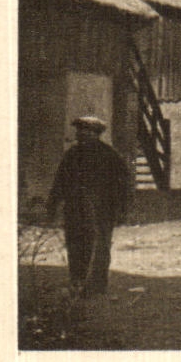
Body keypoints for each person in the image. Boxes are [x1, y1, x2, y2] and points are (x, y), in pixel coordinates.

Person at [45, 116, 134, 299]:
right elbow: (60, 181)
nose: (81, 134)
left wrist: (122, 209)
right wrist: (52, 205)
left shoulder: (109, 155)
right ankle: (77, 281)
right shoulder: (72, 155)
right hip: (75, 208)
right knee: (76, 244)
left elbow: (123, 184)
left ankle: (97, 285)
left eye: (86, 131)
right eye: (79, 130)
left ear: (96, 134)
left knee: (99, 245)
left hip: (102, 210)